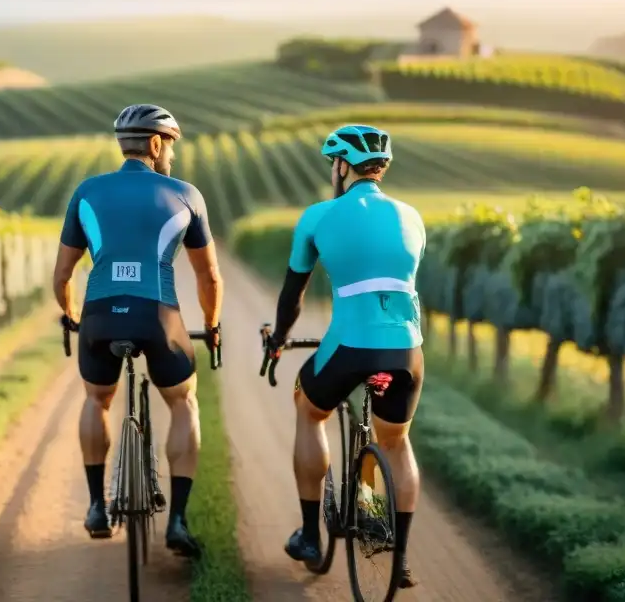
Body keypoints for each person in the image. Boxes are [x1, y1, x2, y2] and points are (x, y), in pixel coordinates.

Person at [52, 103, 223, 560]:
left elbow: (63, 276)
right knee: (184, 401)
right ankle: (179, 522)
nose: (171, 154)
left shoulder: (87, 192)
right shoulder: (185, 193)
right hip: (158, 314)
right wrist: (211, 325)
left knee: (96, 399)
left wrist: (71, 317)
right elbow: (208, 278)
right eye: (170, 144)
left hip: (100, 314)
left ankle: (94, 507)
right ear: (155, 143)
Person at [264, 124, 425, 588]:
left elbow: (293, 294)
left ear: (340, 165)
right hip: (405, 350)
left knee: (309, 407)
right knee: (394, 441)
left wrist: (278, 340)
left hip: (350, 347)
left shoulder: (318, 217)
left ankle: (311, 536)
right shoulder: (411, 216)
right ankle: (400, 558)